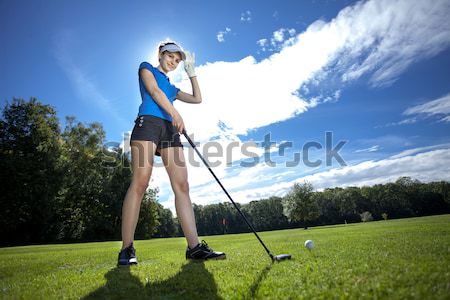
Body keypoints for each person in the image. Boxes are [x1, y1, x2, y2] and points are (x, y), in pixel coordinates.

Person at [118, 41, 226, 265]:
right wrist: (175, 112)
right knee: (140, 182)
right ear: (160, 54)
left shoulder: (173, 88)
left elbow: (197, 99)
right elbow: (154, 91)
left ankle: (194, 247)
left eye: (178, 60)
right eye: (171, 57)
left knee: (182, 185)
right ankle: (127, 249)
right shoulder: (146, 66)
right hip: (147, 123)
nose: (174, 62)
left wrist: (192, 73)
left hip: (169, 130)